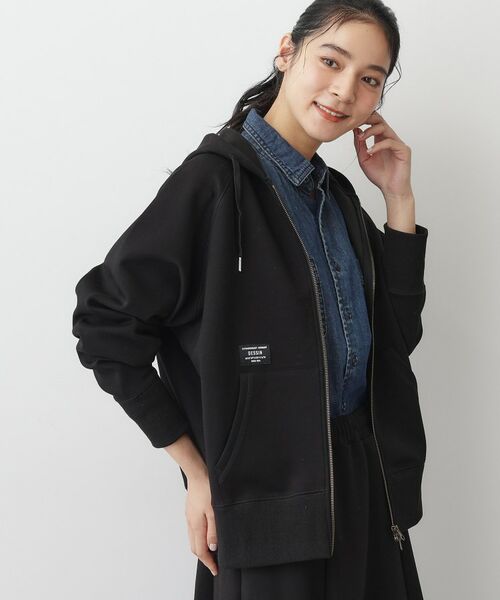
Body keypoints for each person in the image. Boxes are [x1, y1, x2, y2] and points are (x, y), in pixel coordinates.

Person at [72, 1, 429, 598]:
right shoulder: (213, 182)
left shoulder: (336, 197)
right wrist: (197, 472)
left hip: (367, 493)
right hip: (268, 508)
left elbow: (395, 343)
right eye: (331, 61)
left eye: (370, 79)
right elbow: (104, 323)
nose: (345, 91)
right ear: (288, 52)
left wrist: (399, 202)